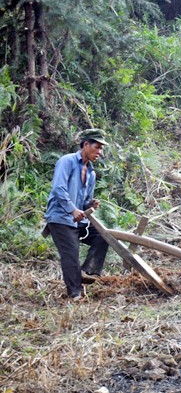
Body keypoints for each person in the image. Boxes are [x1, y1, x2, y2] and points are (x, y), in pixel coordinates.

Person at [44, 128, 110, 300]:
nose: (99, 152)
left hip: (78, 221)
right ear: (86, 144)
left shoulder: (91, 173)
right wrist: (72, 209)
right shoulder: (67, 161)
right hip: (60, 218)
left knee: (104, 236)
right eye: (97, 147)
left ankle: (87, 271)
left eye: (101, 149)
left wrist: (90, 204)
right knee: (71, 254)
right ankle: (75, 294)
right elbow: (59, 188)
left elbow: (84, 200)